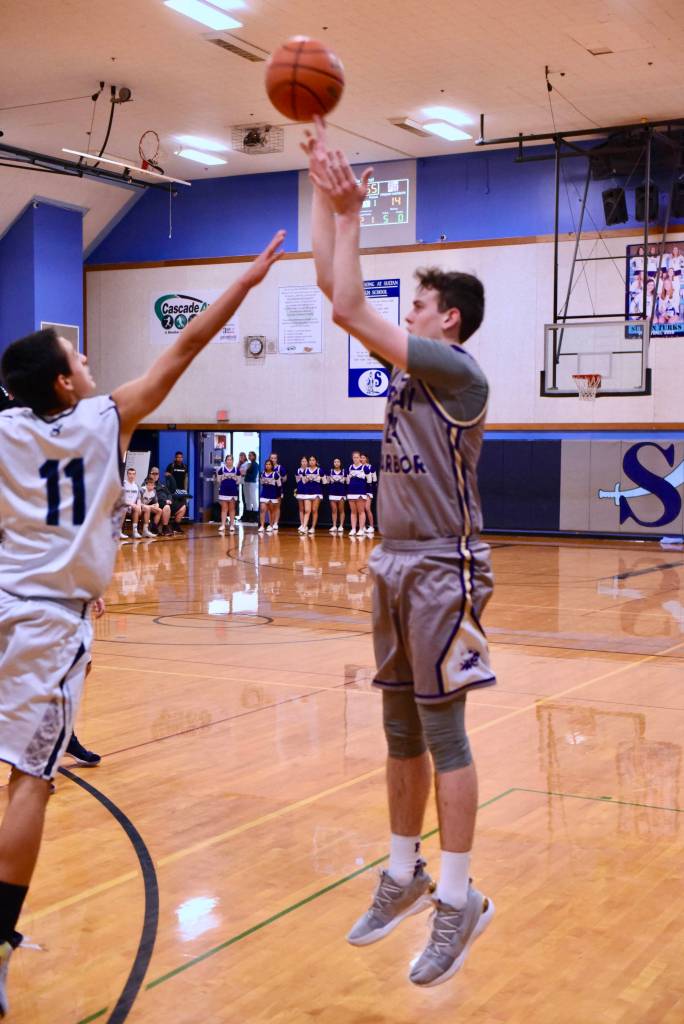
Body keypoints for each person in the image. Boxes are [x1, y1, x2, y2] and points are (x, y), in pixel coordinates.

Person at [0, 228, 284, 1012]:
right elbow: (187, 343)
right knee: (31, 783)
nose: (93, 369)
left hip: (3, 601)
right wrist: (247, 281)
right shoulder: (103, 421)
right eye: (82, 362)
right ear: (63, 384)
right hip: (45, 625)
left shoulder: (3, 432)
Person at [304, 119, 495, 987]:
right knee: (397, 730)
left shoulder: (459, 373)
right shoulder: (408, 370)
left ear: (444, 320)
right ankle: (402, 873)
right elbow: (330, 288)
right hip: (390, 559)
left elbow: (347, 303)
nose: (401, 313)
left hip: (443, 567)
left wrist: (351, 214)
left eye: (414, 305)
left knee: (445, 734)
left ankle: (460, 899)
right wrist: (322, 194)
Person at [216, 454, 240, 534]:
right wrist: (224, 478)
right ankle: (223, 525)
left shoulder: (237, 470)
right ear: (225, 461)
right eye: (228, 459)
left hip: (233, 491)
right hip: (224, 491)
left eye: (231, 459)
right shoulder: (221, 469)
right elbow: (218, 480)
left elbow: (238, 481)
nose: (229, 461)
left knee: (232, 509)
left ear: (233, 461)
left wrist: (234, 478)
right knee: (224, 508)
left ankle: (232, 525)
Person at [346, 450, 367, 536]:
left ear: (360, 458)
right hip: (351, 492)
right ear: (352, 458)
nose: (356, 459)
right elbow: (347, 481)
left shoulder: (364, 468)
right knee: (353, 511)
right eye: (354, 457)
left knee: (361, 511)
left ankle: (361, 529)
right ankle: (353, 528)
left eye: (357, 457)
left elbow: (369, 481)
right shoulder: (350, 468)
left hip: (360, 492)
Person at [258, 459, 281, 533]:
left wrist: (278, 495)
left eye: (269, 464)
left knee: (272, 511)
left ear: (272, 465)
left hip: (272, 495)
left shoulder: (275, 474)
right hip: (264, 494)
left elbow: (279, 485)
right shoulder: (262, 474)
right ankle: (262, 526)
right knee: (262, 510)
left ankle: (271, 525)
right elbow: (262, 483)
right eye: (266, 464)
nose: (268, 466)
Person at [121, 466, 142, 540]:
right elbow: (120, 499)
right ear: (127, 475)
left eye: (133, 474)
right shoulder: (123, 484)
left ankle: (135, 531)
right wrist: (130, 504)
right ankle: (119, 531)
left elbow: (139, 498)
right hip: (123, 506)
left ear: (135, 475)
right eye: (130, 474)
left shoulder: (136, 486)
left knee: (137, 509)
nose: (131, 475)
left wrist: (139, 506)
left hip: (132, 508)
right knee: (123, 508)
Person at [326, 458, 347, 533]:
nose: (336, 463)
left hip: (341, 493)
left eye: (338, 462)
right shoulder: (330, 471)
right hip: (332, 493)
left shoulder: (344, 471)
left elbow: (347, 482)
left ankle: (341, 526)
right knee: (334, 510)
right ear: (333, 463)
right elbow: (327, 482)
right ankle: (334, 526)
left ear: (340, 463)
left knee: (341, 510)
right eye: (335, 462)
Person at [360, 452, 377, 536]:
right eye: (361, 458)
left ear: (366, 458)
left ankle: (371, 526)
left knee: (367, 508)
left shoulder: (371, 467)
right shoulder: (358, 467)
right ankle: (362, 527)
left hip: (368, 490)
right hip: (360, 490)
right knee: (361, 509)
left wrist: (372, 491)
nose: (362, 459)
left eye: (363, 458)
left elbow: (374, 480)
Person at [269, 451, 286, 532]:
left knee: (277, 507)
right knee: (270, 508)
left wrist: (279, 478)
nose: (273, 459)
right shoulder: (267, 468)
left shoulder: (280, 468)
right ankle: (270, 523)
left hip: (278, 489)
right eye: (271, 458)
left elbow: (285, 478)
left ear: (277, 459)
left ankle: (276, 523)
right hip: (269, 490)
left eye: (274, 458)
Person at [243, 451, 259, 523]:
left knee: (252, 498)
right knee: (247, 499)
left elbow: (253, 475)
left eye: (251, 455)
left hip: (252, 483)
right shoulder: (249, 464)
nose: (249, 457)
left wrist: (245, 473)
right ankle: (248, 516)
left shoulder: (255, 465)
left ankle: (255, 516)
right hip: (246, 482)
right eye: (249, 455)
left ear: (254, 456)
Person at [295, 456, 310, 533]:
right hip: (300, 490)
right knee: (301, 509)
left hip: (307, 491)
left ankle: (305, 524)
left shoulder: (309, 470)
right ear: (300, 462)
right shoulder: (298, 470)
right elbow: (297, 481)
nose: (304, 463)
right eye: (302, 461)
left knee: (307, 509)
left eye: (305, 461)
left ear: (307, 462)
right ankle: (302, 524)